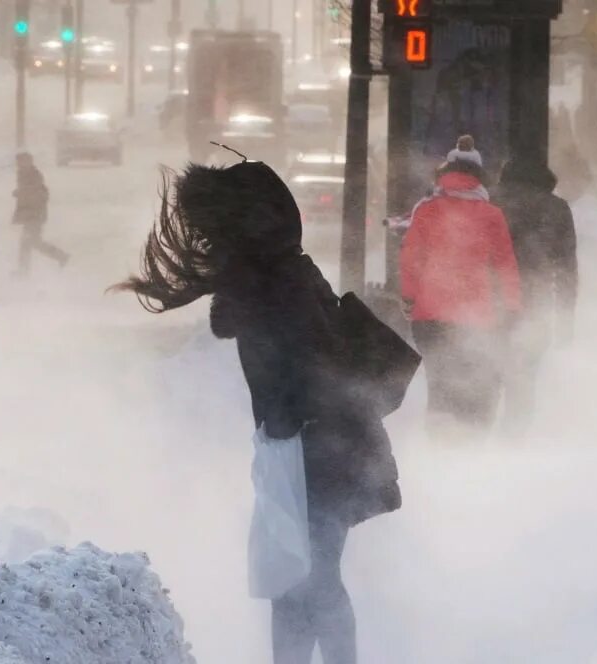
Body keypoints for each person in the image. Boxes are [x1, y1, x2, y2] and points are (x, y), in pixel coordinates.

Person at [118, 160, 409, 664]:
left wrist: (292, 429)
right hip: (307, 449)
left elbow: (310, 367)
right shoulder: (281, 274)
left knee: (311, 579)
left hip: (320, 451)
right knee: (295, 580)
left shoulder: (273, 284)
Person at [400, 152, 522, 436]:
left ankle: (442, 448)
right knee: (476, 379)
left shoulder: (427, 210)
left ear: (444, 177)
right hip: (477, 317)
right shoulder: (491, 214)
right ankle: (472, 447)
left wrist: (409, 297)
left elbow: (411, 259)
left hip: (430, 317)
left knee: (440, 382)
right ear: (479, 180)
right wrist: (512, 306)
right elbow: (505, 264)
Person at [494, 159, 579, 435]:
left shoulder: (491, 203)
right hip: (534, 306)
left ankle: (476, 443)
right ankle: (513, 441)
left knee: (485, 371)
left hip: (491, 303)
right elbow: (566, 267)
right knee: (523, 378)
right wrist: (565, 317)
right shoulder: (556, 208)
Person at [12, 152, 68, 275]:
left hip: (35, 215)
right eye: (18, 162)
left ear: (29, 162)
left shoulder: (33, 175)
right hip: (30, 214)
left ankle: (24, 270)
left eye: (21, 161)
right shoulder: (23, 174)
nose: (19, 164)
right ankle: (60, 256)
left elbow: (35, 193)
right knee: (32, 242)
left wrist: (20, 193)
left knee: (29, 242)